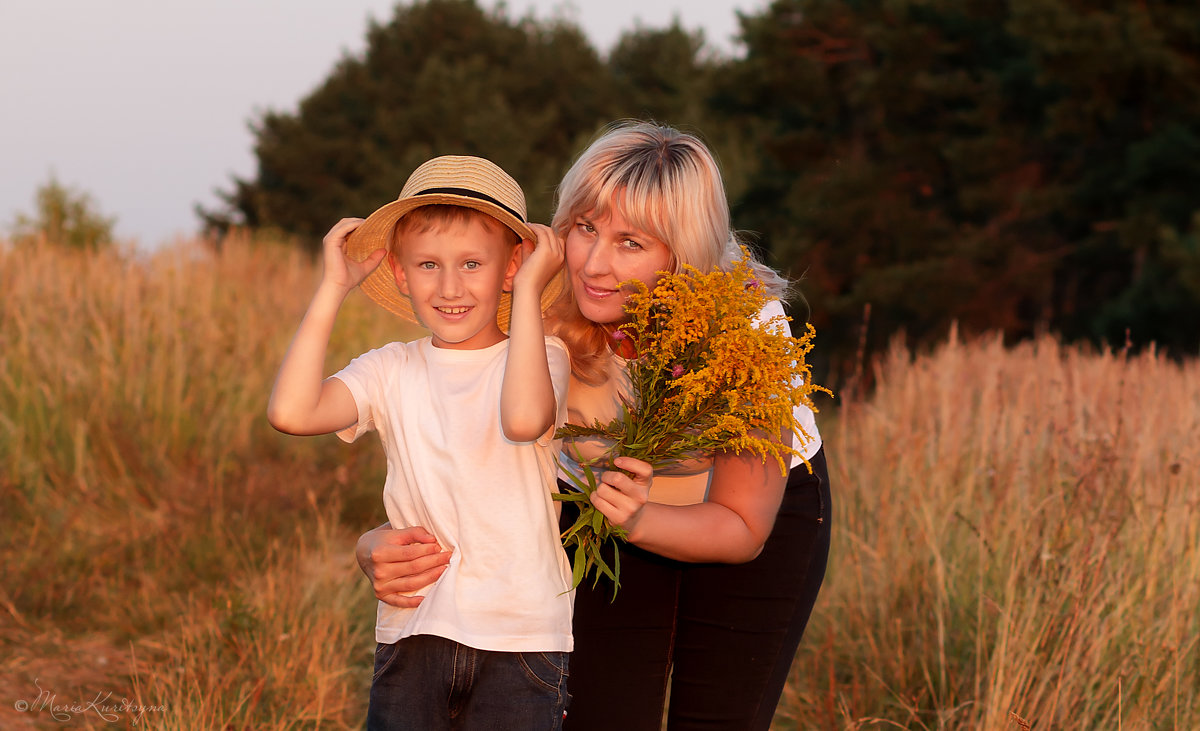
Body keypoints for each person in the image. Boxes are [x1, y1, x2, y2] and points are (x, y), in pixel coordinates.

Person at [356, 123, 833, 730]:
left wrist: (637, 517)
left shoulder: (742, 327)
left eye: (632, 243)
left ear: (681, 253)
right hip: (596, 513)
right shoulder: (530, 298)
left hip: (743, 522)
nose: (594, 265)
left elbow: (742, 529)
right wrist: (372, 544)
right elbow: (455, 453)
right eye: (585, 228)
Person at [268, 155, 574, 731]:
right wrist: (333, 288)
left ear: (511, 267)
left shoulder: (540, 356)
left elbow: (524, 419)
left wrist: (532, 291)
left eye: (473, 264)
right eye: (429, 265)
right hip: (414, 629)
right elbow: (291, 411)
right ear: (401, 273)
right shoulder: (392, 368)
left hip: (522, 637)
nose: (450, 287)